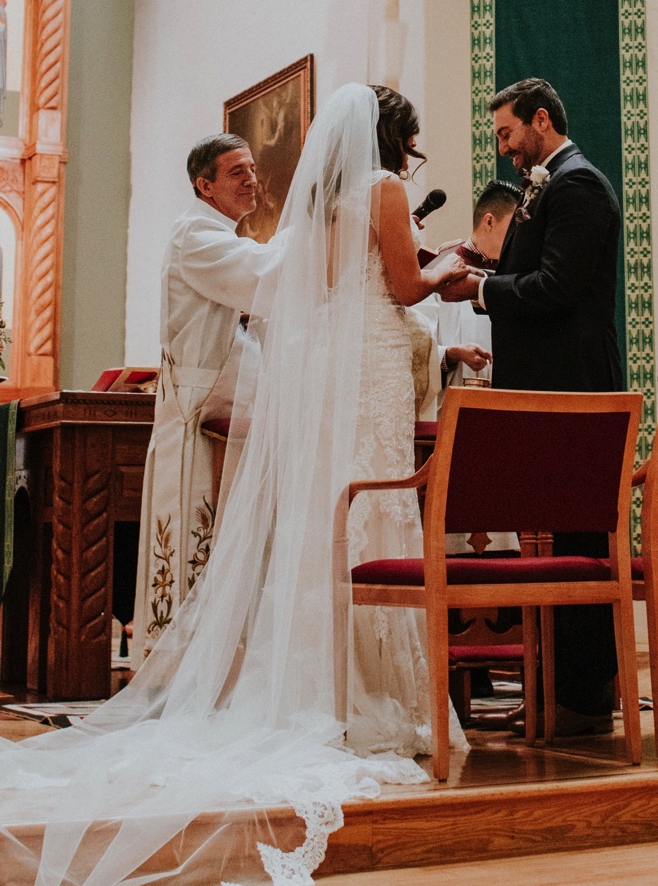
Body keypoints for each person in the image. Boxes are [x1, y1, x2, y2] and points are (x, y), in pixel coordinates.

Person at [0, 84, 470, 884]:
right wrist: (441, 266)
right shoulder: (230, 226)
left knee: (341, 518)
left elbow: (314, 289)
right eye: (237, 169)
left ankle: (324, 689)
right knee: (368, 513)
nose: (252, 180)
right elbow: (376, 288)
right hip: (323, 385)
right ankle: (367, 697)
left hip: (344, 377)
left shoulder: (329, 207)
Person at [442, 77, 622, 735]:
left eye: (506, 133)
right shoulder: (548, 183)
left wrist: (481, 291)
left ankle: (582, 698)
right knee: (551, 543)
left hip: (572, 390)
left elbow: (557, 285)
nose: (504, 149)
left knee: (577, 547)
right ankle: (553, 688)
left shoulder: (577, 184)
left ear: (540, 121)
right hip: (548, 392)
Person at [131, 133, 281, 664]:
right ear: (205, 185)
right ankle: (176, 663)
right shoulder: (195, 232)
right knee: (188, 534)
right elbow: (262, 275)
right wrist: (324, 232)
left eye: (253, 169)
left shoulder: (227, 237)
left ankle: (224, 661)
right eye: (237, 171)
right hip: (197, 410)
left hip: (222, 411)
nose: (251, 179)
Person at [433, 179, 522, 388]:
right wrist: (452, 353)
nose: (518, 238)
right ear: (489, 222)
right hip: (456, 395)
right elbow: (418, 345)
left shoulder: (523, 277)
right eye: (513, 230)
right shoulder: (438, 266)